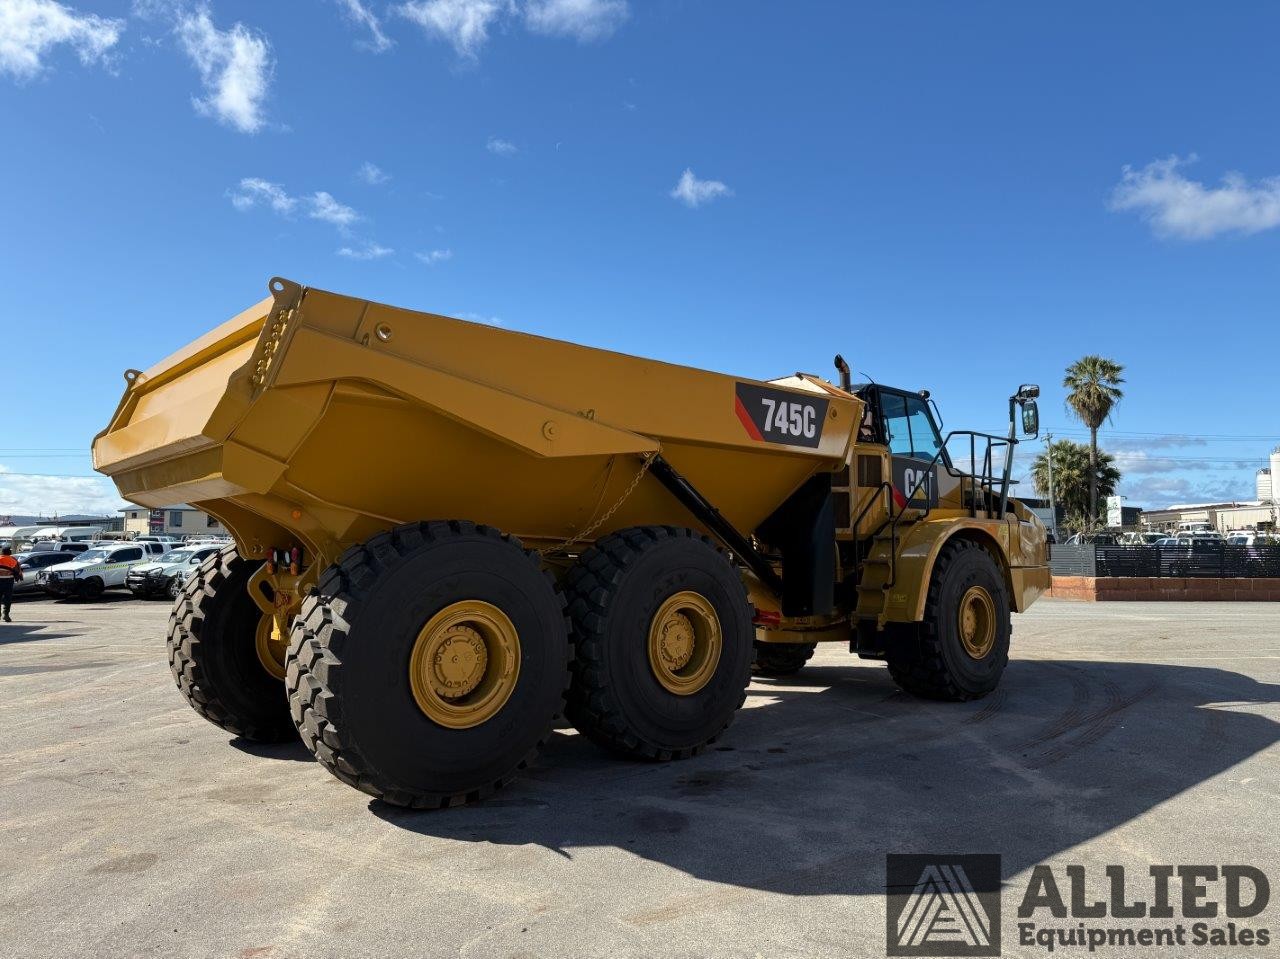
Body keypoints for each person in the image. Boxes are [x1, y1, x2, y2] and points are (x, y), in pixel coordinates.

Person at [0, 546, 23, 622]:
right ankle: (6, 615)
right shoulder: (13, 560)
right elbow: (19, 572)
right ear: (9, 552)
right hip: (8, 581)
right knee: (7, 598)